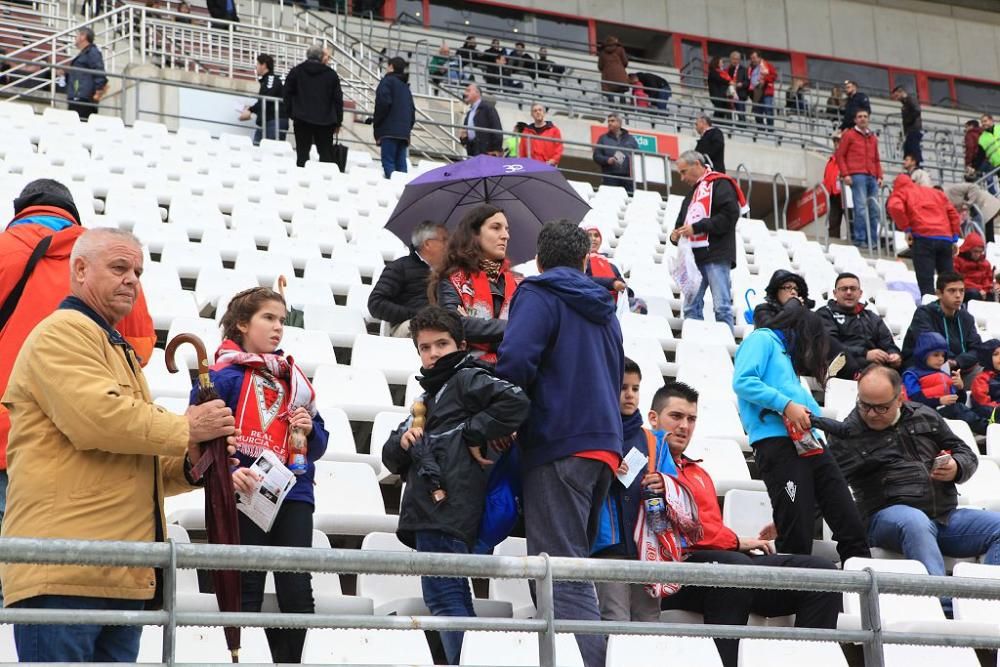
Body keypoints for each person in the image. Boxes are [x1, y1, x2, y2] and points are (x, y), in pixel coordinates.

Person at [0, 228, 236, 662]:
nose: (132, 280)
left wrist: (190, 462)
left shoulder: (111, 344)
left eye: (138, 272)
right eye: (119, 267)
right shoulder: (63, 333)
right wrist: (187, 428)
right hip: (67, 571)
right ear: (80, 270)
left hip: (114, 571)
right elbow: (99, 420)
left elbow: (128, 459)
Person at [0, 180, 157, 562]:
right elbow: (139, 347)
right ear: (71, 214)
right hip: (72, 446)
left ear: (20, 210)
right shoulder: (110, 261)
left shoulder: (4, 251)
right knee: (44, 569)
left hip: (4, 430)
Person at [496, 220, 624, 667]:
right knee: (572, 568)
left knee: (559, 574)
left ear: (541, 260)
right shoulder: (605, 308)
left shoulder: (538, 292)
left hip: (560, 441)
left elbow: (514, 361)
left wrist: (497, 420)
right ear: (585, 260)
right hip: (604, 447)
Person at [655, 381, 842, 667]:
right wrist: (737, 543)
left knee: (823, 575)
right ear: (654, 418)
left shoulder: (700, 473)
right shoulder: (647, 466)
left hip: (721, 563)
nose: (684, 426)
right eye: (676, 417)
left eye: (691, 419)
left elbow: (709, 531)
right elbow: (688, 534)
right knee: (735, 569)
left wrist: (736, 545)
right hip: (677, 573)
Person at [382, 306, 529, 665]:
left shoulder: (465, 378)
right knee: (449, 599)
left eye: (441, 344)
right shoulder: (428, 396)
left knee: (447, 600)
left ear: (460, 345)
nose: (433, 354)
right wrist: (404, 443)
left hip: (448, 508)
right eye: (425, 347)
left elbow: (516, 402)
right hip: (430, 511)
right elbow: (390, 456)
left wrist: (469, 433)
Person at [208, 287, 328, 663]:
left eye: (282, 320)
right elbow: (203, 439)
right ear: (243, 323)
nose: (278, 328)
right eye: (268, 318)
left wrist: (310, 430)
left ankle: (291, 661)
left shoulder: (294, 379)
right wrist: (230, 472)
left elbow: (320, 446)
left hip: (293, 492)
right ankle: (239, 658)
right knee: (246, 585)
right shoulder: (222, 375)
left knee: (296, 587)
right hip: (246, 488)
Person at [824, 365, 1000, 596]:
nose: (871, 414)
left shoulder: (925, 414)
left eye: (881, 407)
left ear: (899, 399)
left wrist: (956, 467)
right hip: (884, 517)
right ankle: (942, 606)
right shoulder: (846, 435)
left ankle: (989, 604)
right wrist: (796, 520)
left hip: (943, 516)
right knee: (914, 521)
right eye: (864, 405)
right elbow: (827, 486)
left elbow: (966, 453)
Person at [733, 298, 871, 563]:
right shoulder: (762, 339)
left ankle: (860, 592)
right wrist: (786, 406)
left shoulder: (786, 357)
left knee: (849, 521)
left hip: (812, 444)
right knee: (797, 535)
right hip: (777, 444)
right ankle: (789, 599)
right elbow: (743, 381)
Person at [592, 360, 677, 623]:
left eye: (635, 388)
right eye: (623, 387)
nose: (630, 394)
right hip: (609, 546)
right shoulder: (594, 435)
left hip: (647, 545)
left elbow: (674, 483)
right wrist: (606, 468)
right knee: (614, 618)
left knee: (648, 621)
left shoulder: (654, 440)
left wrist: (663, 483)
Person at [430, 205, 519, 365]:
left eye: (506, 229)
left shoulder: (519, 282)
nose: (506, 236)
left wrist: (476, 327)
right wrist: (515, 328)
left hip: (514, 369)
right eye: (496, 228)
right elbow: (455, 326)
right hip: (467, 371)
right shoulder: (452, 279)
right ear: (474, 234)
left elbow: (532, 331)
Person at [670, 150, 747, 331]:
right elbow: (681, 224)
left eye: (683, 172)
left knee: (721, 307)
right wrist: (675, 235)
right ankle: (695, 344)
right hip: (694, 258)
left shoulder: (720, 184)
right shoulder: (691, 195)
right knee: (690, 307)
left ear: (697, 164)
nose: (682, 178)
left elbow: (729, 216)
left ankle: (726, 348)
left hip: (717, 254)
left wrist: (697, 227)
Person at [368, 221, 448, 337]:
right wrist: (417, 315)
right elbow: (376, 303)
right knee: (429, 329)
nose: (449, 244)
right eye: (444, 240)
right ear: (428, 244)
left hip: (445, 324)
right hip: (411, 325)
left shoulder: (450, 271)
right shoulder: (400, 267)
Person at [886, 174, 960, 296]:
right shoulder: (936, 193)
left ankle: (930, 311)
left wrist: (907, 229)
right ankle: (950, 312)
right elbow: (953, 214)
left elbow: (894, 206)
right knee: (948, 282)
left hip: (922, 238)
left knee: (926, 283)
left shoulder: (901, 192)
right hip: (944, 239)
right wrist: (954, 238)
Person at [902, 332, 987, 435]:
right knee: (958, 409)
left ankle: (991, 427)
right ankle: (987, 429)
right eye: (936, 355)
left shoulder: (945, 376)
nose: (941, 359)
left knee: (975, 409)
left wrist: (960, 388)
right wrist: (939, 401)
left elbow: (959, 401)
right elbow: (914, 400)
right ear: (922, 354)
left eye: (943, 355)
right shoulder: (911, 374)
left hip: (944, 414)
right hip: (924, 416)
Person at [817, 272, 901, 370]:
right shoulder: (825, 314)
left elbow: (888, 344)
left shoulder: (871, 317)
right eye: (844, 289)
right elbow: (830, 346)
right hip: (839, 365)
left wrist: (894, 354)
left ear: (860, 293)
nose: (849, 292)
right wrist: (865, 353)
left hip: (874, 366)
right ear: (835, 293)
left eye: (853, 289)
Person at [900, 272, 982, 370]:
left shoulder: (966, 318)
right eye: (952, 291)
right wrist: (948, 361)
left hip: (959, 368)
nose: (958, 295)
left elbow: (977, 349)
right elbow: (930, 345)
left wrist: (957, 362)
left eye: (961, 291)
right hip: (927, 367)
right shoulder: (924, 314)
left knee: (987, 373)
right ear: (939, 293)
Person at [284, 45, 344, 169]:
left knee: (302, 155)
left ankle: (302, 181)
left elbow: (287, 94)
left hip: (301, 119)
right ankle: (324, 183)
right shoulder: (331, 75)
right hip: (325, 122)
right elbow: (338, 100)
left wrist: (292, 113)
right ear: (322, 57)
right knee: (326, 155)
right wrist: (338, 122)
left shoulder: (296, 71)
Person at [835, 109, 883, 249]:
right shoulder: (849, 135)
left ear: (868, 119)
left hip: (872, 176)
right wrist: (846, 174)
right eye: (860, 117)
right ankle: (860, 239)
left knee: (874, 209)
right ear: (855, 120)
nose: (862, 119)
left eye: (865, 117)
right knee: (861, 208)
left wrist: (879, 176)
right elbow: (840, 156)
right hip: (857, 175)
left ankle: (873, 241)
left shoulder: (873, 138)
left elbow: (877, 159)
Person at [373, 56, 416, 179]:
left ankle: (392, 190)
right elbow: (412, 111)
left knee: (388, 164)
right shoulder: (406, 87)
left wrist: (377, 123)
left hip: (388, 130)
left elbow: (383, 104)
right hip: (403, 133)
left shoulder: (387, 82)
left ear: (391, 67)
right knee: (401, 166)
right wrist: (407, 127)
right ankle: (401, 192)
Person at [240, 54, 288, 146]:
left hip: (274, 121)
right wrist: (251, 109)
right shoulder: (267, 80)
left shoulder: (271, 78)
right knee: (257, 150)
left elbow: (267, 97)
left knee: (270, 151)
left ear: (264, 65)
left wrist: (250, 110)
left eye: (257, 64)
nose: (256, 67)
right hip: (267, 122)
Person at [65, 28, 107, 120]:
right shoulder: (86, 53)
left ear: (83, 37)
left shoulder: (92, 52)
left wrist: (98, 89)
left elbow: (98, 71)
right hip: (78, 95)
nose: (75, 38)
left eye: (77, 36)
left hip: (83, 97)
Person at [593, 113, 639, 196]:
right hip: (610, 176)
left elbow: (638, 156)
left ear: (619, 123)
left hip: (628, 177)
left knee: (629, 201)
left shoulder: (631, 139)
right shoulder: (603, 138)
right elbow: (596, 156)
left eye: (612, 121)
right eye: (608, 121)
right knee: (610, 199)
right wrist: (607, 160)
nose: (610, 123)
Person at [459, 83, 503, 157]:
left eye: (468, 91)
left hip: (486, 152)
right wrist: (464, 140)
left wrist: (496, 150)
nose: (465, 93)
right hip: (473, 151)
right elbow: (465, 133)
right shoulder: (469, 113)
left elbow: (497, 129)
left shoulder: (488, 108)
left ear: (477, 93)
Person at [953, 231, 996, 301]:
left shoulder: (985, 263)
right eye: (975, 251)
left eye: (980, 252)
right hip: (965, 290)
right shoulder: (957, 261)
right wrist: (979, 289)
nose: (978, 254)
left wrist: (985, 290)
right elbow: (958, 280)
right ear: (968, 250)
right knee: (973, 294)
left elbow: (988, 280)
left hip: (981, 291)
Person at [892, 86, 923, 165]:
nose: (896, 99)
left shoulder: (910, 99)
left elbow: (917, 110)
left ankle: (917, 166)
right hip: (910, 130)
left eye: (897, 96)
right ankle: (911, 165)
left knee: (913, 149)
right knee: (908, 149)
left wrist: (909, 120)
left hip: (914, 129)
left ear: (901, 92)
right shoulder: (906, 103)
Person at [971, 340, 1000, 420]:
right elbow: (983, 403)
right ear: (987, 358)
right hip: (992, 413)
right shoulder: (981, 379)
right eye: (996, 354)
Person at [747, 50, 776, 129]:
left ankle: (770, 129)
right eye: (751, 58)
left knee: (768, 109)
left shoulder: (768, 65)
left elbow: (774, 76)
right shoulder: (750, 68)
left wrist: (765, 79)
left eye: (754, 58)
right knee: (757, 111)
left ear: (759, 58)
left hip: (766, 91)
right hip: (756, 92)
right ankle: (761, 129)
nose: (752, 60)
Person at [597, 36, 629, 104]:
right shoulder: (620, 49)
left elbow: (600, 66)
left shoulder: (602, 53)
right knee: (621, 91)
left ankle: (612, 107)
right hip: (620, 74)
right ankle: (624, 109)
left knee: (609, 91)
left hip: (607, 75)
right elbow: (625, 62)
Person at [824, 134, 844, 239]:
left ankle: (855, 243)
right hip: (832, 194)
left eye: (839, 141)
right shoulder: (830, 161)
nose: (836, 143)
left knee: (851, 219)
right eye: (835, 141)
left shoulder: (848, 158)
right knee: (833, 221)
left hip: (845, 193)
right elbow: (826, 178)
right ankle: (834, 244)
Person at [707, 56, 734, 124]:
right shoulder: (713, 72)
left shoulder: (721, 72)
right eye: (721, 62)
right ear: (717, 63)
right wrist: (728, 82)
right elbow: (719, 79)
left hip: (722, 95)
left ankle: (723, 124)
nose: (723, 64)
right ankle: (718, 124)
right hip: (717, 95)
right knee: (720, 110)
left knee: (724, 110)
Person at [726, 51, 750, 124]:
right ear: (730, 59)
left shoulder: (744, 69)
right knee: (729, 114)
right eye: (733, 59)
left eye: (737, 59)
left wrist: (741, 84)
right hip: (729, 94)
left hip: (740, 95)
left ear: (739, 60)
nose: (735, 61)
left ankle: (742, 129)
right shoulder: (727, 69)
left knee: (741, 115)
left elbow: (747, 82)